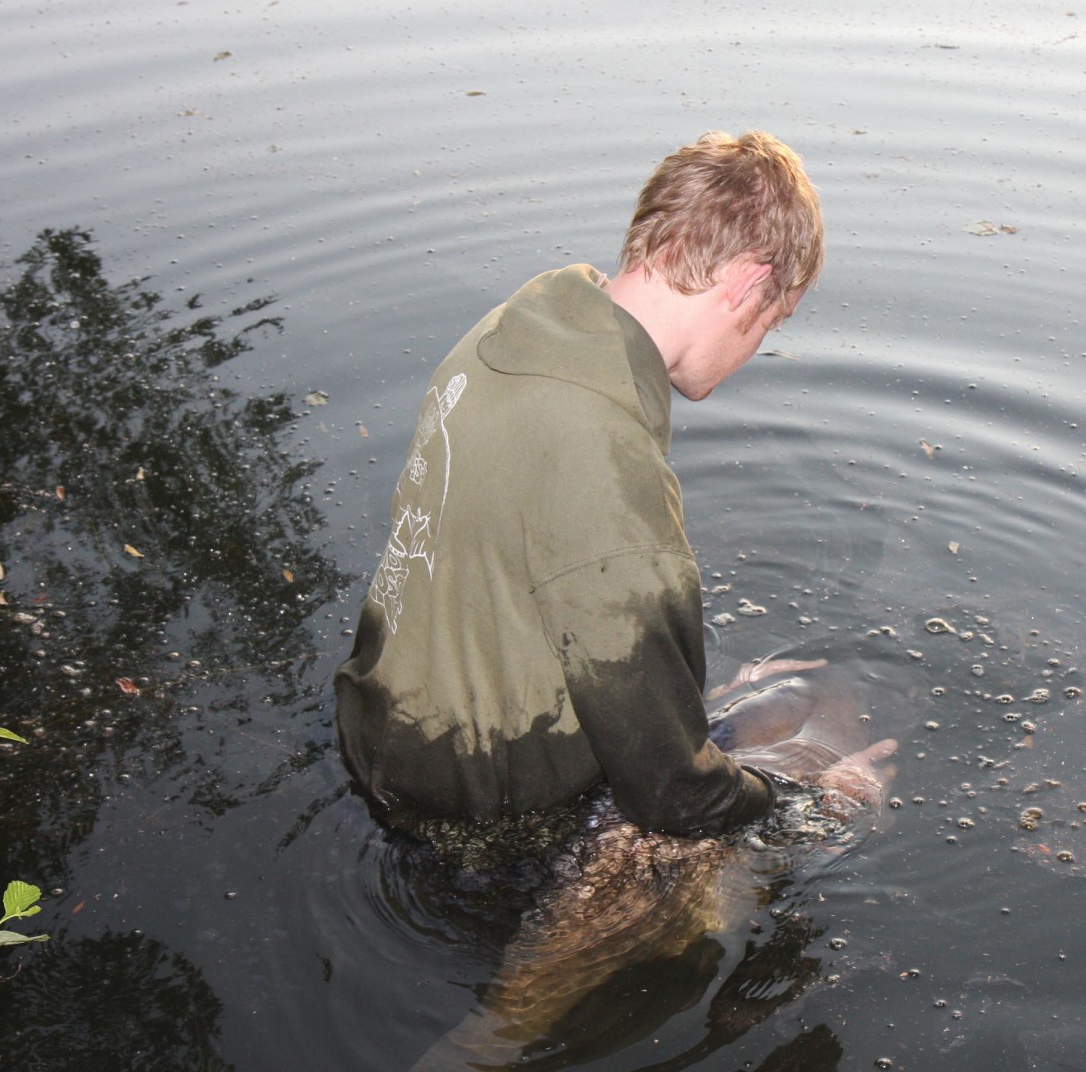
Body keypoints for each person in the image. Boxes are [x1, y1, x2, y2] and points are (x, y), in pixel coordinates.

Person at [335, 130, 880, 860]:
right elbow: (672, 794)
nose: (755, 351)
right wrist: (808, 800)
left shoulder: (505, 336)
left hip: (374, 728)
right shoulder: (606, 463)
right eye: (771, 324)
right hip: (477, 812)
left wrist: (711, 690)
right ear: (749, 284)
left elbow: (530, 592)